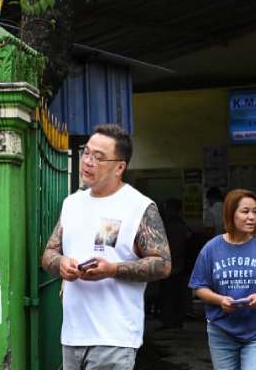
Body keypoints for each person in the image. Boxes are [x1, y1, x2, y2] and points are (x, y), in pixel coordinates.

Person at [41, 124, 172, 370]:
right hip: (72, 334)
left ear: (119, 167)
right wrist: (61, 264)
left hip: (114, 337)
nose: (88, 161)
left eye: (98, 157)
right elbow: (49, 253)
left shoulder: (138, 206)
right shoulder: (72, 203)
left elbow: (163, 264)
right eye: (87, 153)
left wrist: (112, 269)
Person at [189, 189, 256, 370]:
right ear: (231, 213)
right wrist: (219, 300)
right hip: (221, 330)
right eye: (245, 211)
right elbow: (198, 287)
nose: (252, 217)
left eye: (255, 212)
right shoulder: (211, 248)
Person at [159, 198, 192, 329]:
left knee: (167, 295)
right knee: (177, 294)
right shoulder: (183, 226)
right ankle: (177, 321)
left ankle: (168, 322)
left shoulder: (166, 226)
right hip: (179, 265)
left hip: (168, 265)